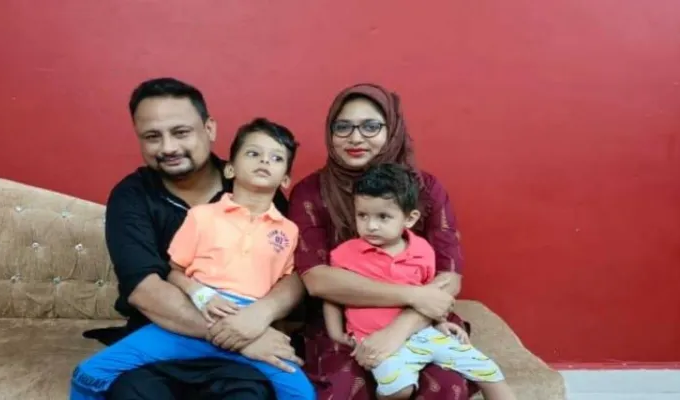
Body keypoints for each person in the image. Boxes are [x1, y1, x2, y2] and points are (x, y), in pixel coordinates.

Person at [84, 78, 305, 400]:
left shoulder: (254, 182)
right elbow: (145, 290)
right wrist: (237, 337)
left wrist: (260, 316)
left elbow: (294, 272)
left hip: (243, 349)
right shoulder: (131, 197)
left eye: (181, 132)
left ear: (209, 129)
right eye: (152, 136)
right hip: (162, 338)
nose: (168, 147)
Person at [288, 83, 480, 399]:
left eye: (370, 126)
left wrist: (399, 329)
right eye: (343, 127)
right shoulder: (311, 192)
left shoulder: (425, 189)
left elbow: (449, 277)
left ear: (392, 130)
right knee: (346, 386)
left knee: (447, 386)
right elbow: (317, 280)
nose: (355, 138)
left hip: (419, 319)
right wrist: (413, 295)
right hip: (341, 321)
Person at [323, 163, 515, 400]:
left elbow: (428, 296)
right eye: (362, 215)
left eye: (383, 217)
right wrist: (336, 333)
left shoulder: (422, 251)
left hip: (424, 334)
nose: (371, 225)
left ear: (410, 218)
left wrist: (440, 322)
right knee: (398, 389)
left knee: (488, 371)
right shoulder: (345, 254)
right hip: (377, 341)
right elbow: (332, 295)